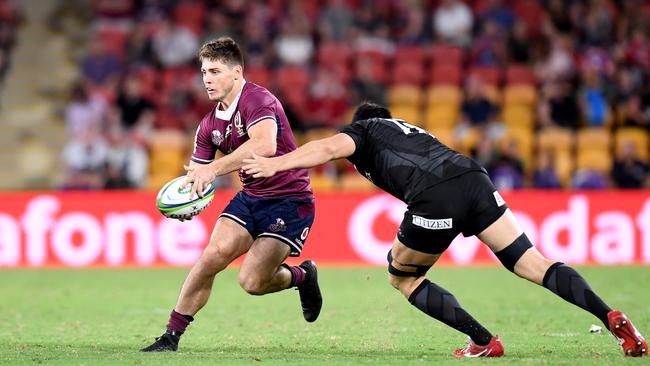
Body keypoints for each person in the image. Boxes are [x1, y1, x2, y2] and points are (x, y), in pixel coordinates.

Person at [242, 102, 648, 358]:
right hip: (474, 178)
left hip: (435, 197)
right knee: (532, 262)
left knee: (402, 276)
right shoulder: (413, 131)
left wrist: (276, 163)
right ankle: (611, 315)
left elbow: (327, 148)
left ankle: (483, 341)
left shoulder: (365, 131)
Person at [140, 37, 322, 352]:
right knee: (212, 256)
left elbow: (264, 145)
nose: (207, 80)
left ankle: (303, 276)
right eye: (203, 72)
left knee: (251, 282)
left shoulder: (257, 99)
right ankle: (171, 336)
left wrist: (214, 170)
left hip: (290, 199)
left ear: (236, 73)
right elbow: (198, 174)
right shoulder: (208, 125)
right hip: (251, 198)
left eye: (214, 71)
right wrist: (187, 196)